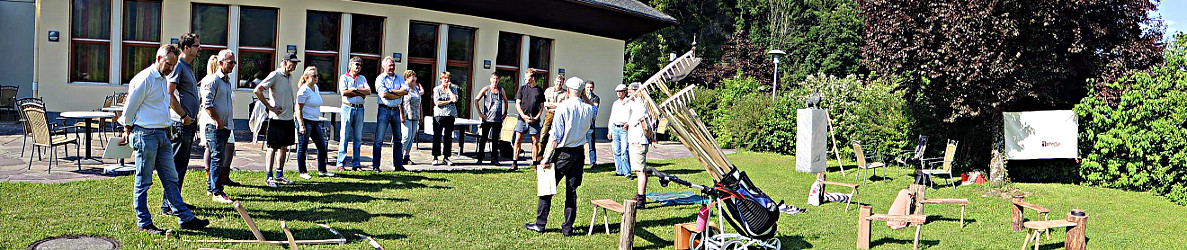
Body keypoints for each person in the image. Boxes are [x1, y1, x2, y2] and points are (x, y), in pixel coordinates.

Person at [121, 44, 210, 234]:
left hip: (162, 135)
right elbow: (129, 108)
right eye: (168, 64)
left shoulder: (163, 78)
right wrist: (127, 128)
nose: (171, 68)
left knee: (171, 178)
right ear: (158, 59)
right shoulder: (145, 79)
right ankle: (144, 222)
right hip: (145, 135)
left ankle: (185, 218)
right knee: (143, 181)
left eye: (173, 65)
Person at [523, 77, 596, 236]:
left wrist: (545, 159)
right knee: (572, 192)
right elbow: (594, 107)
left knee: (546, 189)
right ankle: (567, 228)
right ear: (582, 91)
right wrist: (584, 96)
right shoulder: (588, 109)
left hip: (562, 153)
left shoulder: (563, 107)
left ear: (568, 90)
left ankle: (540, 224)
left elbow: (554, 137)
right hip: (578, 153)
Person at [162, 33, 200, 216]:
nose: (199, 49)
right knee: (176, 165)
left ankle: (177, 201)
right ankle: (168, 205)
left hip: (188, 122)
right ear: (187, 47)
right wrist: (184, 115)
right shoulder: (179, 66)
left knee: (182, 164)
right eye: (197, 46)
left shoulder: (187, 67)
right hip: (180, 123)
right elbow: (169, 95)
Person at [254, 53, 300, 185]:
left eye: (296, 63)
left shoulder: (289, 77)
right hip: (277, 119)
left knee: (284, 147)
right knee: (272, 147)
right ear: (285, 62)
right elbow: (258, 90)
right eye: (293, 63)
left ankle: (280, 174)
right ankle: (269, 176)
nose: (295, 65)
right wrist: (270, 107)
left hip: (288, 119)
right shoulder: (275, 75)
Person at [200, 50, 238, 204]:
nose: (233, 66)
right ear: (221, 63)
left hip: (225, 125)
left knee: (220, 156)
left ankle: (212, 187)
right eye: (230, 63)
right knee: (217, 157)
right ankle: (217, 191)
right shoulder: (212, 80)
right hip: (215, 126)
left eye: (234, 63)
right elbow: (207, 104)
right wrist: (218, 120)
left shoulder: (226, 81)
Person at [294, 66, 334, 177]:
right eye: (314, 76)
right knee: (303, 146)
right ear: (306, 78)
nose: (316, 78)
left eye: (317, 75)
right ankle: (303, 171)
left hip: (315, 121)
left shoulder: (315, 87)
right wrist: (301, 125)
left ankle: (322, 170)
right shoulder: (303, 91)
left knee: (322, 145)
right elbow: (298, 109)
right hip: (305, 121)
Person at [373, 56, 409, 171]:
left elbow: (406, 91)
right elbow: (384, 94)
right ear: (384, 66)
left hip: (396, 111)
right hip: (384, 110)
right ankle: (376, 166)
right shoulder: (380, 78)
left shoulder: (399, 78)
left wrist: (392, 91)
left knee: (398, 139)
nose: (392, 67)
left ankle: (398, 165)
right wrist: (399, 93)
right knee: (379, 139)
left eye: (393, 65)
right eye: (390, 65)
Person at [625, 83, 657, 208]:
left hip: (638, 142)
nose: (628, 93)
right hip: (637, 140)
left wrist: (649, 137)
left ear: (636, 91)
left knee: (640, 171)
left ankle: (641, 199)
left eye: (630, 90)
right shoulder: (636, 104)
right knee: (641, 170)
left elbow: (645, 125)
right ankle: (640, 194)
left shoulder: (639, 104)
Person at [337, 57, 371, 170]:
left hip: (360, 109)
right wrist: (361, 92)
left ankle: (356, 164)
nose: (358, 67)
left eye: (360, 65)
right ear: (350, 65)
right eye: (356, 64)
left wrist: (354, 89)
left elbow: (369, 91)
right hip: (348, 108)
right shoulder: (344, 77)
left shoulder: (362, 78)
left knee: (358, 138)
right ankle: (341, 163)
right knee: (344, 136)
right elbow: (344, 92)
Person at [511, 69, 544, 171]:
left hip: (534, 121)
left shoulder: (539, 90)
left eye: (527, 76)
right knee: (517, 140)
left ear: (533, 78)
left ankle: (534, 164)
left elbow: (542, 106)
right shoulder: (522, 89)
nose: (525, 78)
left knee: (535, 141)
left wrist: (536, 117)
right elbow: (517, 104)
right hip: (522, 119)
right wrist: (524, 116)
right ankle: (514, 163)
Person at [473, 72, 508, 165]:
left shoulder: (501, 90)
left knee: (495, 140)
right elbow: (476, 100)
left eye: (497, 79)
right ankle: (480, 158)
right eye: (493, 78)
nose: (495, 81)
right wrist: (480, 113)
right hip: (487, 119)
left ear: (498, 80)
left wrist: (505, 112)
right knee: (483, 139)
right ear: (490, 79)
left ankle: (494, 159)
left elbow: (506, 100)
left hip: (497, 119)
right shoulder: (486, 89)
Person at [535, 76, 568, 166]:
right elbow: (544, 104)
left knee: (558, 137)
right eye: (557, 81)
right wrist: (557, 105)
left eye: (561, 82)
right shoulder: (548, 90)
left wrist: (553, 104)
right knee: (543, 135)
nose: (559, 83)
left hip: (560, 115)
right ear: (554, 82)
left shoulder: (565, 93)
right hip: (549, 114)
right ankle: (538, 159)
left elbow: (564, 106)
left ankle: (553, 159)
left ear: (563, 82)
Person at [431, 71, 459, 166]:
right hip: (439, 115)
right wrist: (449, 101)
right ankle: (435, 157)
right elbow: (437, 103)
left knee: (448, 137)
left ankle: (446, 157)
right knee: (437, 136)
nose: (446, 80)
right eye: (445, 78)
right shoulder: (437, 89)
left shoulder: (453, 89)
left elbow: (455, 99)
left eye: (448, 78)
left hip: (450, 115)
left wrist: (449, 90)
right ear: (441, 79)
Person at [399, 70, 423, 165]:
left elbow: (419, 103)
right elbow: (399, 103)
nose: (413, 79)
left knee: (412, 137)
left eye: (414, 76)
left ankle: (406, 156)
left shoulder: (416, 89)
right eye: (411, 77)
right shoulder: (403, 88)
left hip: (415, 115)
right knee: (406, 136)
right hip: (406, 115)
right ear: (406, 78)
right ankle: (398, 156)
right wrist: (401, 115)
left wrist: (421, 115)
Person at [607, 84, 631, 177]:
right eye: (617, 91)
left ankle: (627, 172)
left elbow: (633, 115)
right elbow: (612, 117)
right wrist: (610, 130)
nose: (618, 93)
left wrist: (628, 123)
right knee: (616, 150)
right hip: (615, 127)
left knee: (624, 150)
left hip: (624, 128)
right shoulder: (615, 103)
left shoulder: (629, 102)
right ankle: (619, 170)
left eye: (620, 91)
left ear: (625, 92)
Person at [583, 81, 601, 168]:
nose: (589, 89)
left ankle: (593, 163)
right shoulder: (581, 97)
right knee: (579, 145)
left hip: (590, 124)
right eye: (587, 87)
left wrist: (587, 103)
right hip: (581, 124)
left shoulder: (596, 98)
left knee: (591, 145)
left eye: (591, 87)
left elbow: (595, 107)